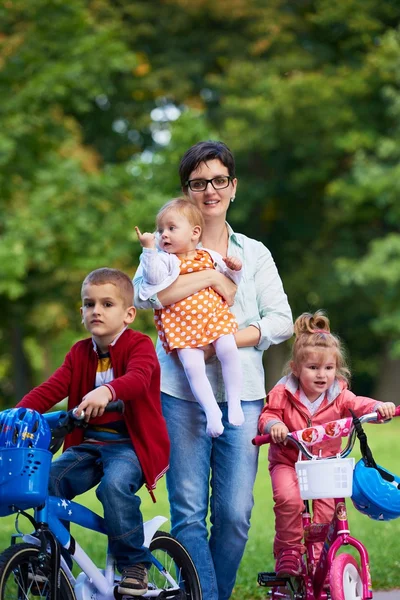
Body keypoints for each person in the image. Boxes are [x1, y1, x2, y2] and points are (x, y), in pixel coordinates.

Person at [133, 141, 293, 600]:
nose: (210, 190)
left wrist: (219, 342)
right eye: (199, 182)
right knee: (186, 511)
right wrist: (207, 278)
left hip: (243, 393)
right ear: (187, 189)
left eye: (219, 180)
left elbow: (280, 320)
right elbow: (146, 295)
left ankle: (211, 594)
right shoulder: (168, 239)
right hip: (179, 394)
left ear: (233, 187)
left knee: (236, 512)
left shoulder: (254, 253)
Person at [17, 268, 170, 597]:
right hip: (89, 446)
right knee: (47, 481)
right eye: (89, 304)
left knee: (114, 487)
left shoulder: (139, 345)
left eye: (107, 304)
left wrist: (108, 392)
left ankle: (134, 563)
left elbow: (140, 378)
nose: (96, 310)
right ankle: (51, 559)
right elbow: (50, 389)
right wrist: (17, 416)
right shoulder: (78, 353)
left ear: (129, 314)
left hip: (131, 445)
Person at [258, 310, 396, 577]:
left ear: (336, 369)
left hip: (326, 464)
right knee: (288, 500)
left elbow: (359, 406)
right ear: (296, 369)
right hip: (288, 461)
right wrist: (273, 426)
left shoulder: (339, 395)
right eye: (313, 368)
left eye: (328, 368)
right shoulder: (283, 393)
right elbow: (269, 414)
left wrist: (379, 407)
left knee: (327, 511)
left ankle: (321, 563)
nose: (321, 375)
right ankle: (289, 553)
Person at [135, 197, 244, 438]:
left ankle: (234, 401)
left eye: (171, 229)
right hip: (180, 325)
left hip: (213, 317)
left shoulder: (209, 256)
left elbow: (231, 284)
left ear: (195, 233)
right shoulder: (163, 260)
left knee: (228, 350)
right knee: (193, 367)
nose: (164, 235)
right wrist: (148, 250)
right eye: (161, 229)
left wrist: (236, 268)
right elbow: (151, 283)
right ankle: (212, 411)